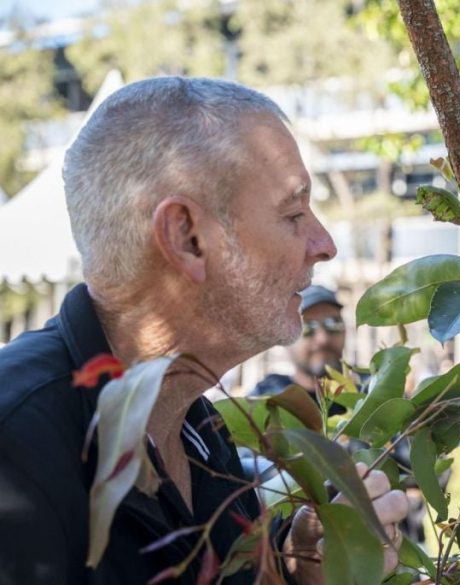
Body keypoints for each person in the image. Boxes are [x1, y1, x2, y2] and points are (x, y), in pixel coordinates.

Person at [0, 77, 408, 584]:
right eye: (294, 213)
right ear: (187, 236)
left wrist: (285, 566)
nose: (324, 244)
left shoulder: (201, 432)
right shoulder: (17, 449)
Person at [252, 284, 351, 414]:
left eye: (333, 323)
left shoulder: (368, 397)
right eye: (307, 327)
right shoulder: (266, 401)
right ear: (285, 339)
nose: (323, 338)